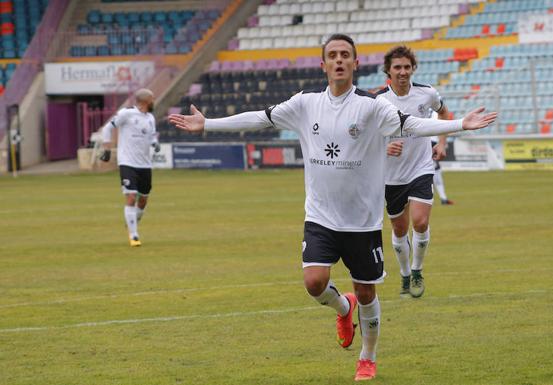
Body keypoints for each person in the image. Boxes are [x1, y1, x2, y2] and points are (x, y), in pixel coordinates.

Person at [169, 34, 496, 381]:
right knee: (314, 282)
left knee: (367, 291)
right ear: (323, 64)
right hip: (321, 216)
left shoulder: (372, 107)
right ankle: (343, 306)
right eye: (332, 55)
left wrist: (459, 125)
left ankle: (367, 357)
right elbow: (261, 118)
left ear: (355, 64)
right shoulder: (304, 103)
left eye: (345, 55)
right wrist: (209, 124)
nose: (339, 60)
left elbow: (413, 125)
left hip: (363, 221)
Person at [378, 46, 453, 299]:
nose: (402, 72)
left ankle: (418, 269)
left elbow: (443, 113)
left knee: (420, 222)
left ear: (413, 69)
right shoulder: (378, 101)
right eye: (397, 67)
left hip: (421, 168)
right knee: (400, 229)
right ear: (388, 70)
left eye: (407, 67)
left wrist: (441, 143)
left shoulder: (427, 93)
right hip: (391, 176)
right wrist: (385, 146)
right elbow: (366, 137)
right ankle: (405, 273)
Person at [100, 88, 160, 247]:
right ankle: (134, 235)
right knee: (131, 196)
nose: (154, 102)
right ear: (146, 101)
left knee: (143, 200)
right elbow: (108, 127)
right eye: (153, 99)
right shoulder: (126, 114)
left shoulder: (150, 118)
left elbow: (152, 135)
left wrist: (155, 143)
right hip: (127, 162)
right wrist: (106, 148)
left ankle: (133, 221)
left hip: (145, 164)